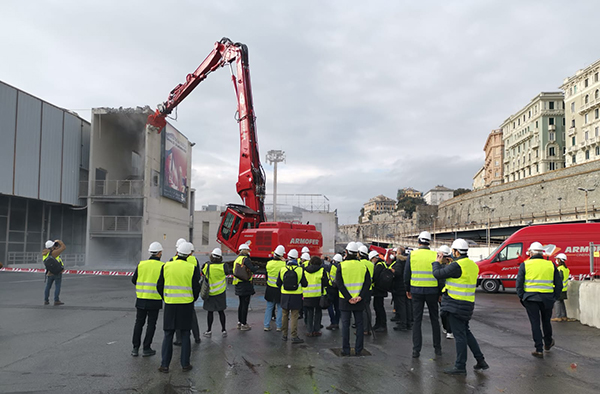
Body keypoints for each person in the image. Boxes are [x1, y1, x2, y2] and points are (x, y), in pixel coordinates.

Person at [432, 239, 489, 375]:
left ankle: (460, 366)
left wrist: (437, 262)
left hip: (455, 304)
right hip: (467, 304)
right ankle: (480, 360)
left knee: (460, 336)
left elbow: (437, 274)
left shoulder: (457, 265)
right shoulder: (472, 265)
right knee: (466, 332)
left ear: (456, 252)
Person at [157, 242, 201, 373]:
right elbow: (196, 287)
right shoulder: (191, 268)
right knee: (185, 334)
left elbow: (159, 285)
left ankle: (164, 365)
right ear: (189, 254)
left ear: (177, 253)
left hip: (170, 304)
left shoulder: (166, 266)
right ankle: (185, 364)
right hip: (186, 304)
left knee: (168, 334)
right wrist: (192, 299)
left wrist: (166, 297)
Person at [516, 242, 562, 358]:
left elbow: (519, 283)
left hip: (530, 299)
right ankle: (548, 342)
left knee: (535, 323)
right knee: (546, 321)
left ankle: (539, 349)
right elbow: (559, 284)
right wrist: (554, 297)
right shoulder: (550, 265)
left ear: (531, 252)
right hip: (547, 298)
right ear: (542, 253)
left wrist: (522, 296)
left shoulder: (525, 265)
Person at [404, 231, 443, 358]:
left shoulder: (412, 255)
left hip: (416, 291)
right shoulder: (435, 255)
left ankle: (416, 350)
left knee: (417, 321)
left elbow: (407, 274)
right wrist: (440, 292)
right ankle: (437, 348)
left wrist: (407, 289)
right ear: (429, 242)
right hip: (432, 291)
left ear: (418, 241)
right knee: (434, 320)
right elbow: (440, 276)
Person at [336, 242, 371, 356]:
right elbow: (367, 283)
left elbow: (339, 284)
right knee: (360, 325)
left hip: (345, 301)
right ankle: (358, 349)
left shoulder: (341, 266)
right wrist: (360, 296)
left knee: (345, 325)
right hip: (359, 300)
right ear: (357, 253)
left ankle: (345, 350)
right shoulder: (363, 266)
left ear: (346, 252)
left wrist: (348, 298)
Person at [131, 242, 165, 357]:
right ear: (160, 253)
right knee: (151, 324)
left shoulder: (141, 264)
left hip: (141, 298)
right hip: (155, 299)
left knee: (139, 323)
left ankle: (135, 348)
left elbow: (134, 280)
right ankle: (146, 348)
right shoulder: (162, 266)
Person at [277, 249, 308, 343]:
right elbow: (305, 284)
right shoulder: (300, 270)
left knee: (284, 315)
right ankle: (294, 336)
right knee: (294, 316)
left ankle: (284, 335)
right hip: (296, 296)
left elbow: (278, 283)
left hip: (285, 295)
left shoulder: (282, 269)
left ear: (288, 258)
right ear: (296, 258)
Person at [202, 248, 232, 338]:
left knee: (210, 313)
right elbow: (227, 273)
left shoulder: (207, 266)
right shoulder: (224, 266)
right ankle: (223, 330)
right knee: (221, 312)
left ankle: (209, 330)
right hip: (220, 292)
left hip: (210, 293)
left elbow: (202, 273)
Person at [233, 243, 259, 331]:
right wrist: (257, 267)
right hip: (245, 284)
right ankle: (244, 324)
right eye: (248, 250)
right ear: (245, 250)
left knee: (241, 304)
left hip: (238, 284)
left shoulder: (237, 259)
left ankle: (239, 322)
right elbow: (252, 269)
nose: (249, 252)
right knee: (245, 305)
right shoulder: (246, 259)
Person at [303, 256, 327, 337]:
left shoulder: (305, 270)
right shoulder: (322, 270)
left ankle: (309, 330)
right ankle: (316, 330)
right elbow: (326, 283)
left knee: (309, 313)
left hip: (307, 295)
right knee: (318, 313)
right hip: (318, 295)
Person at [264, 245, 286, 332]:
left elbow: (266, 275)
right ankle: (279, 326)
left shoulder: (269, 263)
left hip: (270, 288)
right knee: (280, 308)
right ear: (281, 256)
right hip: (280, 289)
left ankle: (266, 325)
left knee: (269, 307)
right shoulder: (284, 264)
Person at [392, 247, 412, 331]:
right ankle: (408, 322)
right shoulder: (408, 261)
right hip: (407, 285)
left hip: (400, 286)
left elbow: (398, 272)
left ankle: (403, 323)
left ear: (399, 253)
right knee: (407, 304)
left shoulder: (399, 262)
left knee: (402, 305)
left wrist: (392, 271)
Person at [43, 239, 66, 306]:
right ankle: (56, 300)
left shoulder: (44, 254)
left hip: (49, 272)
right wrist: (59, 241)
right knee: (57, 286)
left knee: (48, 287)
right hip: (57, 272)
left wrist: (55, 248)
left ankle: (46, 300)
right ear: (52, 246)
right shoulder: (54, 253)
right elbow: (64, 247)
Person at [437, 245, 454, 340]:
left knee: (445, 312)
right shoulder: (452, 264)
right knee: (445, 312)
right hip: (447, 292)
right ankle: (448, 329)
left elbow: (440, 280)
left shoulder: (441, 266)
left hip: (446, 292)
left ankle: (449, 330)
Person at [358, 245, 375, 335]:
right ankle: (367, 327)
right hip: (370, 288)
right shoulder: (370, 264)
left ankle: (364, 329)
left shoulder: (360, 264)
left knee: (362, 310)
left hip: (362, 289)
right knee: (367, 308)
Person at [325, 253, 343, 330]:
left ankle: (333, 322)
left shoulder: (330, 267)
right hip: (339, 289)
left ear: (334, 260)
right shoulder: (342, 267)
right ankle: (337, 322)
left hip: (330, 288)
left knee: (329, 306)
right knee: (337, 307)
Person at [552, 253, 571, 322]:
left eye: (557, 259)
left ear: (560, 260)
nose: (556, 260)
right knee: (561, 302)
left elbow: (559, 279)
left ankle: (558, 316)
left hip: (559, 288)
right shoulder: (566, 269)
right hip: (564, 288)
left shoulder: (559, 269)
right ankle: (564, 316)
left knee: (557, 302)